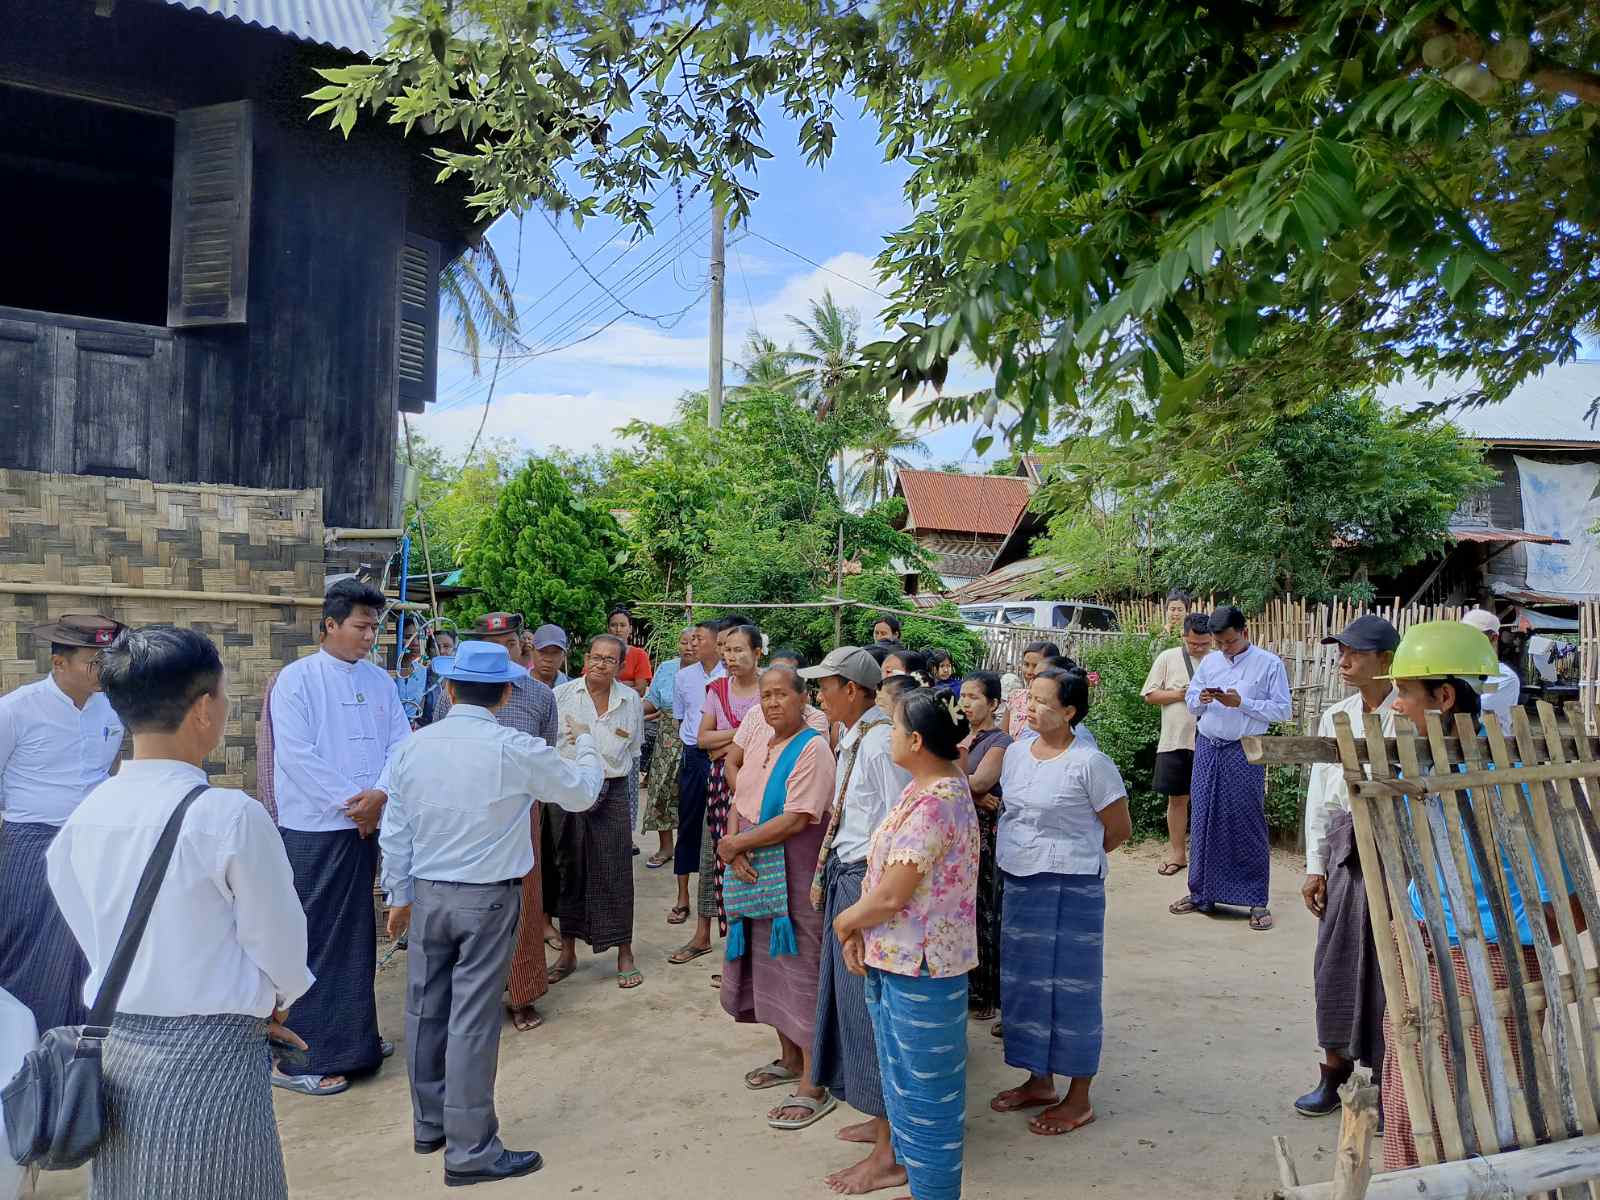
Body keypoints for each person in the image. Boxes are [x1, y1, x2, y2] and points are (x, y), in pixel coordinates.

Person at [46, 625, 313, 1200]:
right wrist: (278, 997)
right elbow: (280, 942)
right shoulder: (230, 816)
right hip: (215, 1057)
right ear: (203, 709)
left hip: (118, 1053)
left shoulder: (84, 816)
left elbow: (90, 934)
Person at [379, 640, 604, 1186]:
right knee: (472, 1021)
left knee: (425, 1010)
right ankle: (471, 1149)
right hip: (487, 897)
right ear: (505, 694)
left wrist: (399, 894)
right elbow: (579, 794)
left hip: (429, 893)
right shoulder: (513, 748)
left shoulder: (413, 747)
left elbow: (396, 828)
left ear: (449, 689)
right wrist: (588, 747)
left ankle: (431, 1125)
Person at [1375, 620, 1570, 1170]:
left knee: (1483, 1103)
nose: (1394, 706)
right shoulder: (1420, 775)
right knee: (1413, 1092)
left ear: (1443, 698)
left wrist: (1504, 951)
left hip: (1487, 959)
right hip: (1424, 948)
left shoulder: (1507, 782)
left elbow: (1565, 902)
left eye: (1404, 692)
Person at [833, 688, 979, 1200]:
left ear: (916, 741)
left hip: (921, 969)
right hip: (901, 961)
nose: (888, 735)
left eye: (894, 727)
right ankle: (922, 1187)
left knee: (925, 1097)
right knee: (905, 1087)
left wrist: (845, 922)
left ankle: (934, 1192)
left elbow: (893, 895)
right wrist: (862, 930)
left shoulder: (935, 803)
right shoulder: (927, 788)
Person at [270, 579, 410, 1095]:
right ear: (330, 624)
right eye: (361, 626)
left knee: (355, 937)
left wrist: (381, 794)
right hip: (315, 829)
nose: (370, 636)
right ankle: (301, 1058)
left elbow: (401, 743)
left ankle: (355, 1040)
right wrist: (356, 804)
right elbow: (297, 755)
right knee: (314, 938)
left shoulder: (379, 681)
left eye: (375, 627)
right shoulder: (296, 680)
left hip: (365, 824)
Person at [990, 668, 1131, 1137]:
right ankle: (1039, 1080)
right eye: (1028, 698)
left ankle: (1079, 1097)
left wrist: (1073, 857)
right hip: (1020, 881)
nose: (1029, 707)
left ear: (1069, 711)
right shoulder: (1015, 753)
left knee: (1072, 988)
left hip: (1073, 889)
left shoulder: (1090, 763)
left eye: (1042, 701)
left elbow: (1119, 829)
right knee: (1025, 983)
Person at [801, 647, 911, 1194]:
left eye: (825, 685)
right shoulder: (854, 737)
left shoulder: (878, 745)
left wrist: (867, 908)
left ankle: (891, 1150)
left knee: (871, 1015)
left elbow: (895, 831)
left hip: (866, 882)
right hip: (849, 876)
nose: (818, 695)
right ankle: (880, 1121)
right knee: (851, 1009)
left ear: (852, 689)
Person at [719, 666, 839, 1131]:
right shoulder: (762, 743)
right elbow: (740, 800)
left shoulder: (813, 748)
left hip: (794, 872)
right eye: (765, 696)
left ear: (803, 699)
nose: (771, 703)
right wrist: (734, 847)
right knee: (767, 964)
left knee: (800, 968)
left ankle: (814, 1081)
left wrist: (738, 845)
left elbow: (797, 818)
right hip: (753, 865)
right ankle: (788, 1058)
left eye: (781, 695)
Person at [435, 612, 562, 1034]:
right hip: (463, 808)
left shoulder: (540, 695)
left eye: (508, 643)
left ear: (521, 644)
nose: (501, 652)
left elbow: (546, 752)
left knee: (524, 899)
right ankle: (474, 996)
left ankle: (523, 994)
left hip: (520, 811)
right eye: (491, 645)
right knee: (469, 901)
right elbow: (440, 745)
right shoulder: (451, 693)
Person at [0, 613, 127, 1035]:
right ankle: (24, 1050)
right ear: (59, 663)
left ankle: (77, 1047)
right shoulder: (16, 710)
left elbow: (106, 770)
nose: (103, 670)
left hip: (95, 843)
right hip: (31, 844)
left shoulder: (113, 708)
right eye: (94, 662)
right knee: (27, 946)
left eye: (108, 660)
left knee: (85, 950)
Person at [1295, 615, 1399, 1119]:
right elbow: (1321, 796)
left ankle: (1386, 1081)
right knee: (1334, 960)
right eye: (1341, 651)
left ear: (1386, 660)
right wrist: (1315, 866)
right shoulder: (1336, 715)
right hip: (1344, 849)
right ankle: (1333, 1073)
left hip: (1399, 852)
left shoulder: (1410, 714)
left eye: (1355, 652)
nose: (1344, 660)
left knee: (1391, 965)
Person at [1168, 606, 1291, 933]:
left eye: (1230, 642)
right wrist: (1203, 697)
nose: (1224, 648)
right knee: (1203, 817)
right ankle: (1201, 894)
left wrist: (1242, 703)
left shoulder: (1269, 664)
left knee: (1246, 819)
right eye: (1219, 643)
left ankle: (1256, 900)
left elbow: (1282, 710)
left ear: (1245, 633)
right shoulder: (1210, 662)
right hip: (1208, 746)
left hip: (1244, 749)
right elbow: (1191, 700)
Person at [551, 635, 645, 989]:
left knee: (615, 870)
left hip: (613, 791)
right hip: (570, 791)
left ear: (620, 666)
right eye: (595, 657)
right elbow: (550, 748)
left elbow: (633, 752)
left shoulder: (630, 700)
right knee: (568, 868)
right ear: (585, 659)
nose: (600, 664)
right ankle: (568, 952)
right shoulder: (561, 696)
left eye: (609, 660)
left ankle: (624, 952)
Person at [670, 624, 763, 963]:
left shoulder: (769, 689)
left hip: (759, 785)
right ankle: (702, 935)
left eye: (739, 650)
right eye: (728, 650)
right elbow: (702, 740)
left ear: (757, 653)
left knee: (753, 860)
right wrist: (743, 733)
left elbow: (771, 740)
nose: (731, 656)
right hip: (720, 785)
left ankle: (747, 947)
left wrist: (725, 745)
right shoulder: (717, 690)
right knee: (714, 856)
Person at [1140, 613, 1214, 877]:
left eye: (1204, 644)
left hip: (1211, 741)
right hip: (1175, 741)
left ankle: (1207, 858)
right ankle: (1178, 854)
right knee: (1177, 799)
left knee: (1210, 801)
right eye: (1193, 643)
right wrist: (1180, 694)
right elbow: (1150, 695)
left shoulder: (1219, 660)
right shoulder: (1168, 658)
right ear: (1184, 636)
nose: (1199, 648)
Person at [958, 670, 1011, 1024]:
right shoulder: (960, 736)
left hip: (985, 837)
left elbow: (981, 781)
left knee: (984, 908)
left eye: (974, 697)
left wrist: (972, 790)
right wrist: (974, 794)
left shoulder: (1000, 741)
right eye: (963, 696)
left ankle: (985, 992)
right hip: (960, 830)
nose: (965, 703)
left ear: (993, 703)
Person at [672, 618, 725, 926]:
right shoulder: (683, 677)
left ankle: (718, 897)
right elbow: (681, 719)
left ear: (717, 643)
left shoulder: (728, 675)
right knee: (688, 823)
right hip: (693, 755)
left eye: (699, 639)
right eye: (691, 639)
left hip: (724, 754)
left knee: (721, 827)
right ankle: (682, 896)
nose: (692, 644)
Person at [530, 623, 572, 945]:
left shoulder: (572, 690)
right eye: (543, 652)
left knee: (560, 853)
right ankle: (538, 921)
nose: (548, 659)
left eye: (555, 653)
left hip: (559, 782)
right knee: (534, 853)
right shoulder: (517, 687)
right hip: (527, 783)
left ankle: (557, 920)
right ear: (532, 652)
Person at [642, 628, 693, 869]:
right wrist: (628, 707)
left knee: (690, 794)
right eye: (684, 642)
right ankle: (665, 847)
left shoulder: (710, 671)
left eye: (694, 642)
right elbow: (652, 701)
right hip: (665, 741)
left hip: (695, 739)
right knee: (662, 790)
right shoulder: (666, 668)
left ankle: (689, 850)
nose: (688, 647)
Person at [1461, 608, 1521, 734]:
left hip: (1492, 743)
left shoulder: (1505, 677)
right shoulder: (1459, 670)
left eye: (1474, 636)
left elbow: (1471, 707)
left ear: (1493, 638)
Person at [1005, 641, 1061, 737]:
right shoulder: (1015, 696)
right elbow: (1003, 734)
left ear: (1053, 668)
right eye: (1026, 664)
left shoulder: (1057, 702)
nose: (1029, 671)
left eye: (1036, 666)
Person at [608, 607, 654, 697]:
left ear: (630, 629)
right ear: (608, 629)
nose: (618, 629)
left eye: (623, 625)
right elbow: (590, 685)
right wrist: (629, 683)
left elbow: (640, 690)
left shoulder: (640, 655)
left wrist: (610, 685)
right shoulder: (599, 652)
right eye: (613, 625)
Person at [394, 645, 428, 728]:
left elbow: (422, 700)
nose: (415, 644)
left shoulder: (422, 671)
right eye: (407, 638)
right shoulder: (389, 671)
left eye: (418, 639)